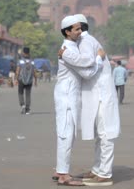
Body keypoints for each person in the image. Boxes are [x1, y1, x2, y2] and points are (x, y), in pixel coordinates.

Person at [59, 14, 120, 186]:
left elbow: (86, 68)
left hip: (100, 94)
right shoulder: (86, 42)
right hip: (97, 94)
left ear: (79, 29)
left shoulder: (85, 41)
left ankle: (105, 173)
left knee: (105, 134)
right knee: (100, 135)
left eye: (79, 28)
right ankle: (97, 169)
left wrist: (67, 56)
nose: (78, 31)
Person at [53, 15, 105, 186]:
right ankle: (63, 175)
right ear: (67, 32)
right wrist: (98, 58)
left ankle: (61, 169)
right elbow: (87, 70)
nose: (80, 31)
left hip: (69, 94)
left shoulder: (69, 48)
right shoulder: (68, 50)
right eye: (76, 29)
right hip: (67, 95)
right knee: (66, 133)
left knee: (66, 132)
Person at [15, 47, 37, 115]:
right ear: (29, 53)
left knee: (20, 93)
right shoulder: (32, 61)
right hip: (29, 80)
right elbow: (34, 72)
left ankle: (22, 105)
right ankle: (27, 110)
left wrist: (16, 79)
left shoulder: (20, 61)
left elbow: (17, 71)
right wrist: (35, 80)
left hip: (21, 80)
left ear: (23, 53)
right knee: (28, 94)